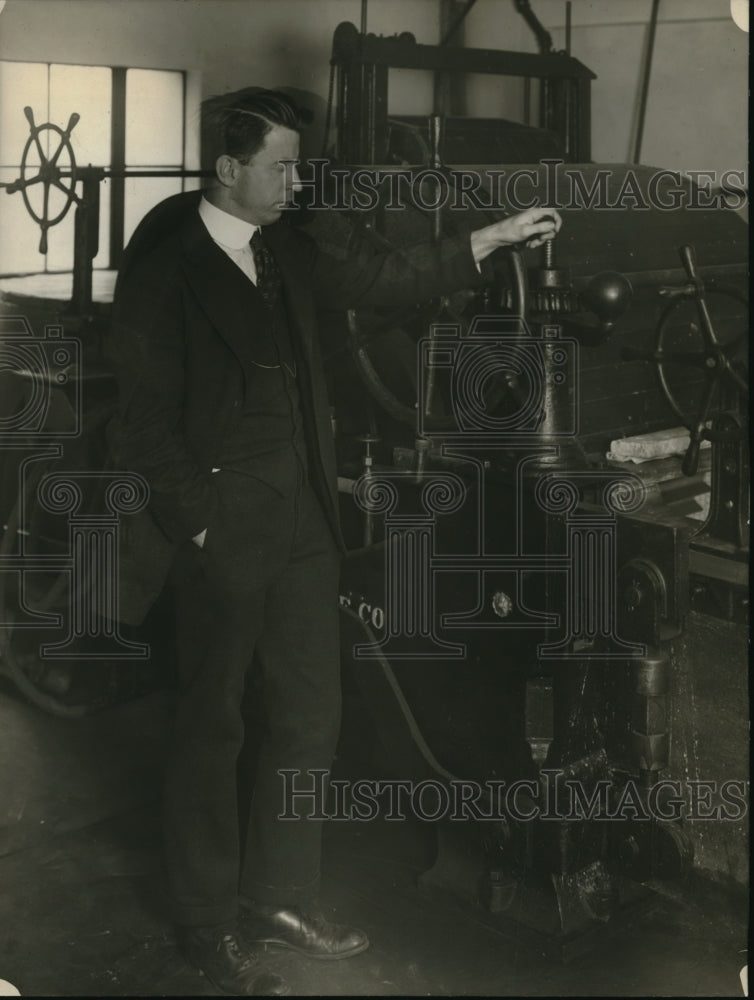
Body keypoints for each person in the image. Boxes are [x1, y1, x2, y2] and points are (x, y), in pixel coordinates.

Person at [107, 88, 561, 996]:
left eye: (297, 163)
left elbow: (389, 278)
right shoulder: (166, 268)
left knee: (311, 716)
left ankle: (279, 894)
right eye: (279, 164)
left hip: (305, 523)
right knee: (212, 726)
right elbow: (139, 422)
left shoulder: (289, 248)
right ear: (227, 168)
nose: (294, 179)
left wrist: (493, 239)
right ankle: (204, 921)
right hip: (222, 527)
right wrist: (198, 518)